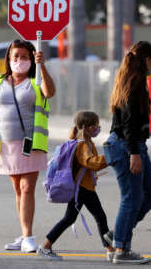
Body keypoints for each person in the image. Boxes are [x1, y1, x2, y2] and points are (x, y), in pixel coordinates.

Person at [0, 39, 55, 252]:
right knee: (18, 190)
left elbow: (50, 92)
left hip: (31, 142)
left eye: (24, 57)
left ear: (31, 59)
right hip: (6, 145)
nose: (19, 60)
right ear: (8, 60)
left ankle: (28, 237)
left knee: (27, 188)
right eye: (15, 57)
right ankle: (23, 233)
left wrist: (42, 66)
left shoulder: (35, 80)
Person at [105, 41, 151, 264]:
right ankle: (122, 249)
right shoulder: (135, 83)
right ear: (146, 59)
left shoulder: (133, 80)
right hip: (127, 145)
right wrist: (134, 153)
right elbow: (130, 122)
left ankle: (116, 234)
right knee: (132, 198)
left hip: (133, 144)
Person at [37, 110, 115, 261]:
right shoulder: (82, 145)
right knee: (96, 217)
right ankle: (110, 250)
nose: (98, 128)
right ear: (87, 127)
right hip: (82, 190)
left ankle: (110, 249)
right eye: (95, 125)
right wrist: (110, 157)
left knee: (74, 218)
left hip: (84, 188)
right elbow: (91, 162)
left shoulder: (85, 142)